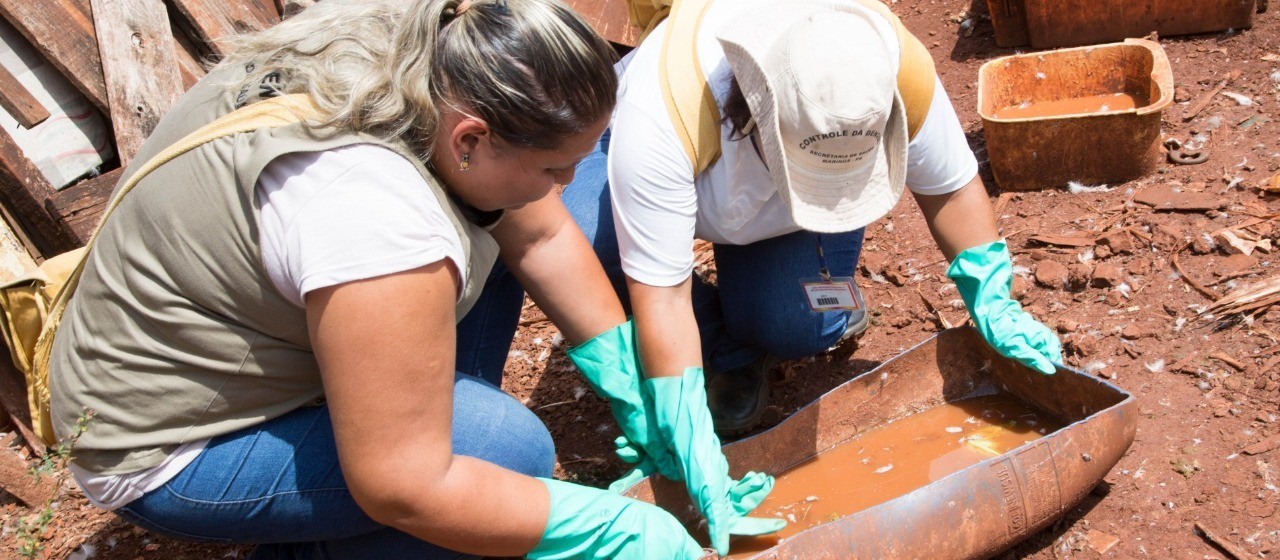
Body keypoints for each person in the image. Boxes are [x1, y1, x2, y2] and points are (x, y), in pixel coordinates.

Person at [47, 0, 778, 557]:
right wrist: (614, 529)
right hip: (179, 442)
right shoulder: (372, 215)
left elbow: (545, 229)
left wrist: (634, 388)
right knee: (502, 452)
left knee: (504, 220)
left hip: (255, 324)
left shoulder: (441, 43)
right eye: (556, 166)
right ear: (471, 138)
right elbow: (403, 480)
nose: (569, 182)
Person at [462, 0, 1063, 437]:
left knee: (797, 326)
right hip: (678, 171)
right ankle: (724, 353)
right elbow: (662, 298)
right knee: (585, 236)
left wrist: (994, 296)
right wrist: (682, 415)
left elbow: (952, 188)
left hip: (768, 205)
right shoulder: (664, 114)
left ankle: (792, 309)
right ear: (754, 118)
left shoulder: (885, 68)